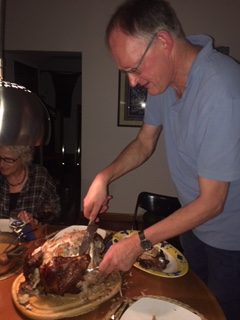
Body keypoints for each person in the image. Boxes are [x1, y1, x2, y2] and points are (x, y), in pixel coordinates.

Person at [83, 0, 240, 318]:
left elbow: (213, 203)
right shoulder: (164, 85)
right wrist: (104, 177)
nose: (133, 82)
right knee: (193, 308)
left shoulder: (222, 90)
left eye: (134, 68)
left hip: (232, 240)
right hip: (193, 226)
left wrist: (138, 242)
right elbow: (144, 142)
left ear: (164, 42)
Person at [0, 146, 61, 225]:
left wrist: (35, 220)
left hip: (32, 235)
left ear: (23, 158)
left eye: (8, 160)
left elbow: (54, 212)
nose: (1, 164)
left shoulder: (39, 176)